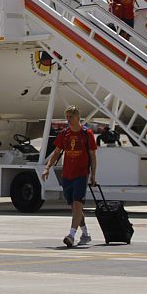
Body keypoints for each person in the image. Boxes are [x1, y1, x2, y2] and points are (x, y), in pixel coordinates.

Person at [42, 106, 98, 247]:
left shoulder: (87, 134)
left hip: (81, 174)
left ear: (77, 117)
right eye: (66, 116)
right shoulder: (64, 134)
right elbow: (56, 152)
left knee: (78, 204)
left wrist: (93, 175)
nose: (68, 119)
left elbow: (92, 156)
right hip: (67, 174)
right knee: (74, 207)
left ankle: (71, 235)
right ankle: (85, 233)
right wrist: (47, 167)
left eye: (70, 117)